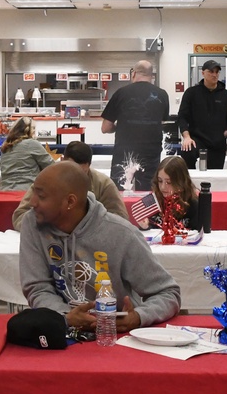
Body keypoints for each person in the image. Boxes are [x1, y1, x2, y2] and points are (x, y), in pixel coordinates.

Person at [19, 162, 181, 334]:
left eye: (41, 196)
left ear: (70, 202)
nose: (32, 202)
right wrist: (65, 317)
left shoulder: (122, 234)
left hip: (115, 337)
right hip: (61, 334)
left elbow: (168, 293)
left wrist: (138, 317)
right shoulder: (33, 223)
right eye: (33, 192)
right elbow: (37, 288)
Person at [12, 141, 129, 229]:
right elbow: (19, 216)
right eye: (71, 169)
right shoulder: (45, 181)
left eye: (81, 172)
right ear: (62, 160)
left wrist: (89, 228)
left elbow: (120, 219)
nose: (75, 177)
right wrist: (48, 226)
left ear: (89, 166)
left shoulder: (103, 184)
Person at [101, 59, 170, 191]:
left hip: (125, 155)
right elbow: (161, 123)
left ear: (133, 73)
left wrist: (121, 127)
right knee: (148, 198)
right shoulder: (162, 95)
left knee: (120, 197)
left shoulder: (121, 93)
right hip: (151, 155)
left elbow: (105, 127)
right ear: (152, 76)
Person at [178, 59, 227, 170]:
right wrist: (186, 137)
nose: (214, 75)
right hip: (196, 139)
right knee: (187, 151)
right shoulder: (191, 93)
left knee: (214, 175)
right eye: (211, 71)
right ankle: (189, 184)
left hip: (217, 141)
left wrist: (225, 133)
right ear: (203, 73)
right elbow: (182, 116)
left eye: (217, 72)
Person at [142, 155, 199, 231]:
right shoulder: (153, 201)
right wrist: (145, 227)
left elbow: (198, 234)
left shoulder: (193, 204)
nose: (162, 187)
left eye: (168, 182)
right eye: (160, 181)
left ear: (180, 182)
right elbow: (146, 233)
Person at [0, 116, 53, 191]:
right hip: (27, 192)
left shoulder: (5, 147)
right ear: (29, 130)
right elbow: (51, 166)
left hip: (5, 191)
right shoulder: (32, 143)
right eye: (34, 128)